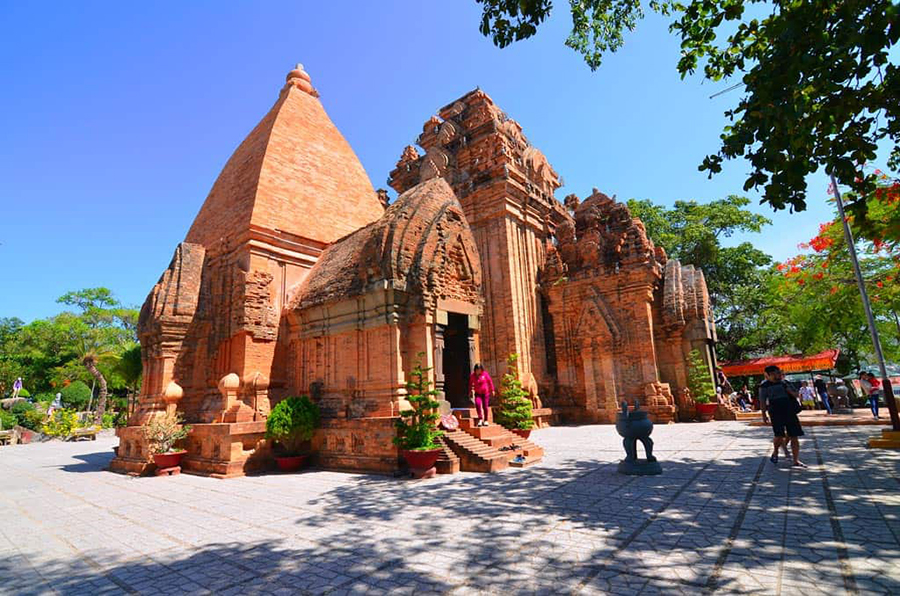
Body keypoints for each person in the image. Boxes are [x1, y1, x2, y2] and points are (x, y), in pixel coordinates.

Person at [759, 365, 806, 468]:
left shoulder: (786, 383)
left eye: (778, 373)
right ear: (767, 375)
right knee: (779, 435)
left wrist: (789, 390)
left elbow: (797, 395)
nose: (777, 376)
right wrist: (764, 415)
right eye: (773, 374)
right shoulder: (764, 386)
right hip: (775, 411)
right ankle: (775, 451)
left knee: (794, 435)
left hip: (789, 410)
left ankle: (796, 460)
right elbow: (762, 401)